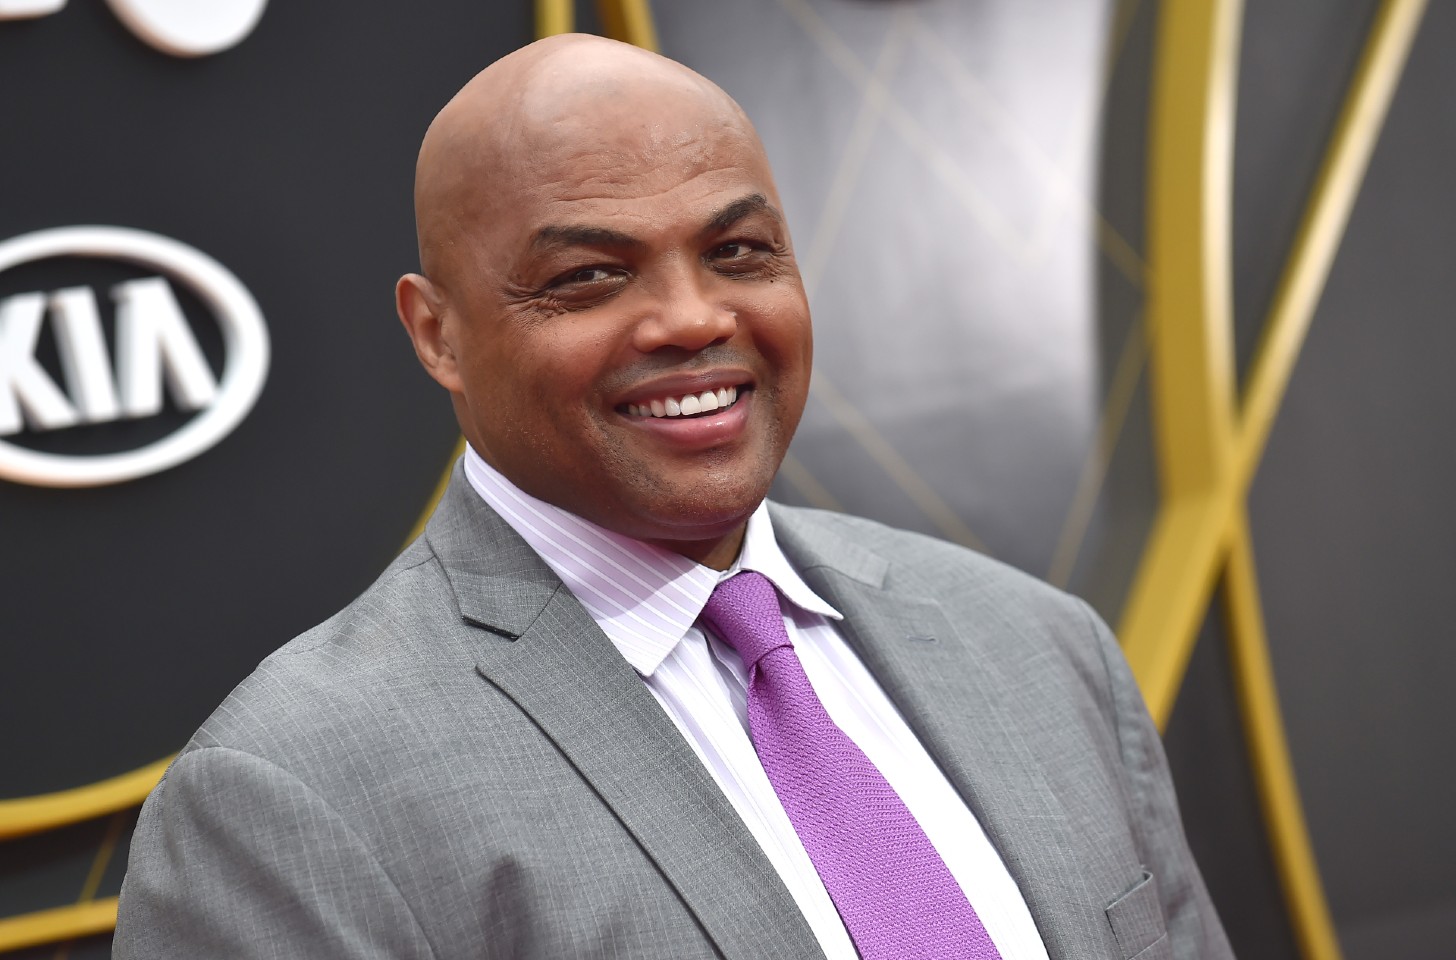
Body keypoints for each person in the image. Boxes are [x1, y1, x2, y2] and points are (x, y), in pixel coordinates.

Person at [115, 34, 1233, 960]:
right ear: (437, 333)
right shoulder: (284, 799)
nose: (692, 320)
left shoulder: (1038, 647)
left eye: (738, 251)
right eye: (589, 276)